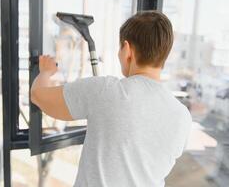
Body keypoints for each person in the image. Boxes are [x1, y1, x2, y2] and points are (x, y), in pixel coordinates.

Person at [31, 11, 192, 187]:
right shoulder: (182, 116)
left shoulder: (106, 91)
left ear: (127, 50)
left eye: (119, 48)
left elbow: (38, 96)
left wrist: (46, 71)